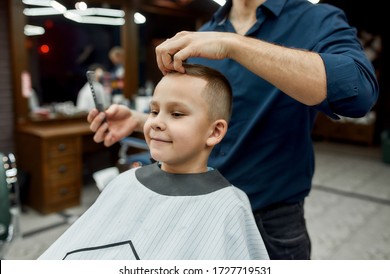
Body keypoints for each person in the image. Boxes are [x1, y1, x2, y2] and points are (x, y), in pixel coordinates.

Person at [88, 0, 379, 259]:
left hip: (271, 219)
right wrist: (141, 121)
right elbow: (204, 118)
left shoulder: (316, 19)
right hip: (198, 207)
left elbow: (357, 93)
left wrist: (234, 45)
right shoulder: (204, 32)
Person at [38, 64, 269, 260]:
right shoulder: (125, 182)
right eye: (154, 111)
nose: (156, 123)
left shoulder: (229, 207)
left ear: (214, 131)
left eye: (177, 114)